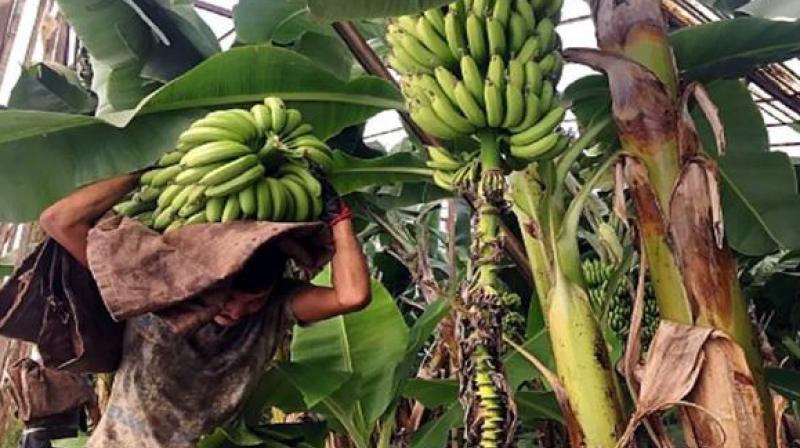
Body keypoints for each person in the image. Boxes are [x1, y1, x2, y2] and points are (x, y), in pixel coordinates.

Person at [31, 169, 371, 447]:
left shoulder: (274, 310)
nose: (238, 311)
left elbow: (352, 296)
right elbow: (58, 221)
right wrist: (146, 171)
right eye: (229, 297)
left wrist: (339, 217)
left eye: (254, 301)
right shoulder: (157, 285)